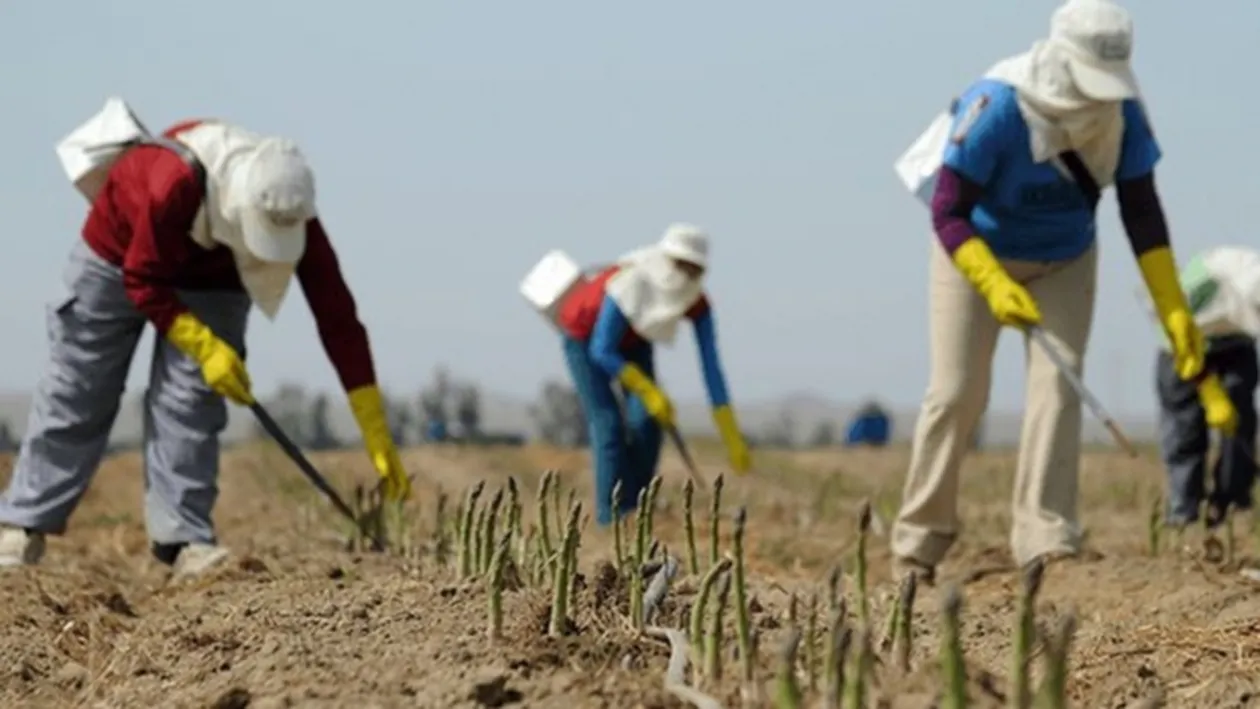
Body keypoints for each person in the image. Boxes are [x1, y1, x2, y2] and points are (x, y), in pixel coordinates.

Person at [889, 0, 1237, 582]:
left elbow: (1142, 210)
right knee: (956, 393)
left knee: (1059, 384)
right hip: (974, 255)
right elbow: (948, 211)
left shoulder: (1123, 114)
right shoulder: (998, 106)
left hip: (1065, 259)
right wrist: (992, 282)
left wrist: (1174, 307)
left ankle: (1045, 536)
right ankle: (917, 544)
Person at [0, 104, 412, 576]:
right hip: (117, 259)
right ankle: (22, 524)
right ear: (236, 206)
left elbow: (337, 315)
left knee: (192, 401)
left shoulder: (292, 208)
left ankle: (184, 539)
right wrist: (203, 342)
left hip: (215, 279)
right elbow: (142, 279)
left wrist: (375, 429)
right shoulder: (171, 180)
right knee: (80, 389)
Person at [554, 224, 751, 526]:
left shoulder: (696, 301)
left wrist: (730, 433)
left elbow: (711, 366)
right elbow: (602, 350)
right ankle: (612, 518)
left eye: (693, 268)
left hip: (635, 340)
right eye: (679, 264)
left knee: (647, 421)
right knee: (608, 425)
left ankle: (637, 509)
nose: (684, 274)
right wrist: (648, 389)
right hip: (585, 340)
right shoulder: (632, 281)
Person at [1153, 247, 1260, 529]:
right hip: (1182, 345)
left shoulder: (1253, 284)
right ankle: (1184, 514)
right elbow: (1175, 335)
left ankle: (1232, 504)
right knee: (1185, 431)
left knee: (1240, 422)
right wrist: (1208, 389)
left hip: (1236, 345)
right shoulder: (1202, 286)